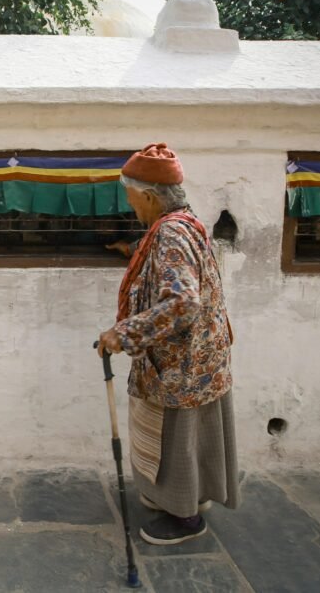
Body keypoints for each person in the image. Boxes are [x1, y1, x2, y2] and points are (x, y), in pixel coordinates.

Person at [97, 142, 239, 545]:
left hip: (181, 364)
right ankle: (187, 499)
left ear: (149, 195)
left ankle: (186, 519)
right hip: (199, 358)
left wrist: (122, 335)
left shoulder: (171, 234)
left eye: (131, 198)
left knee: (176, 441)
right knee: (186, 439)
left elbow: (182, 301)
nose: (131, 207)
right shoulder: (183, 224)